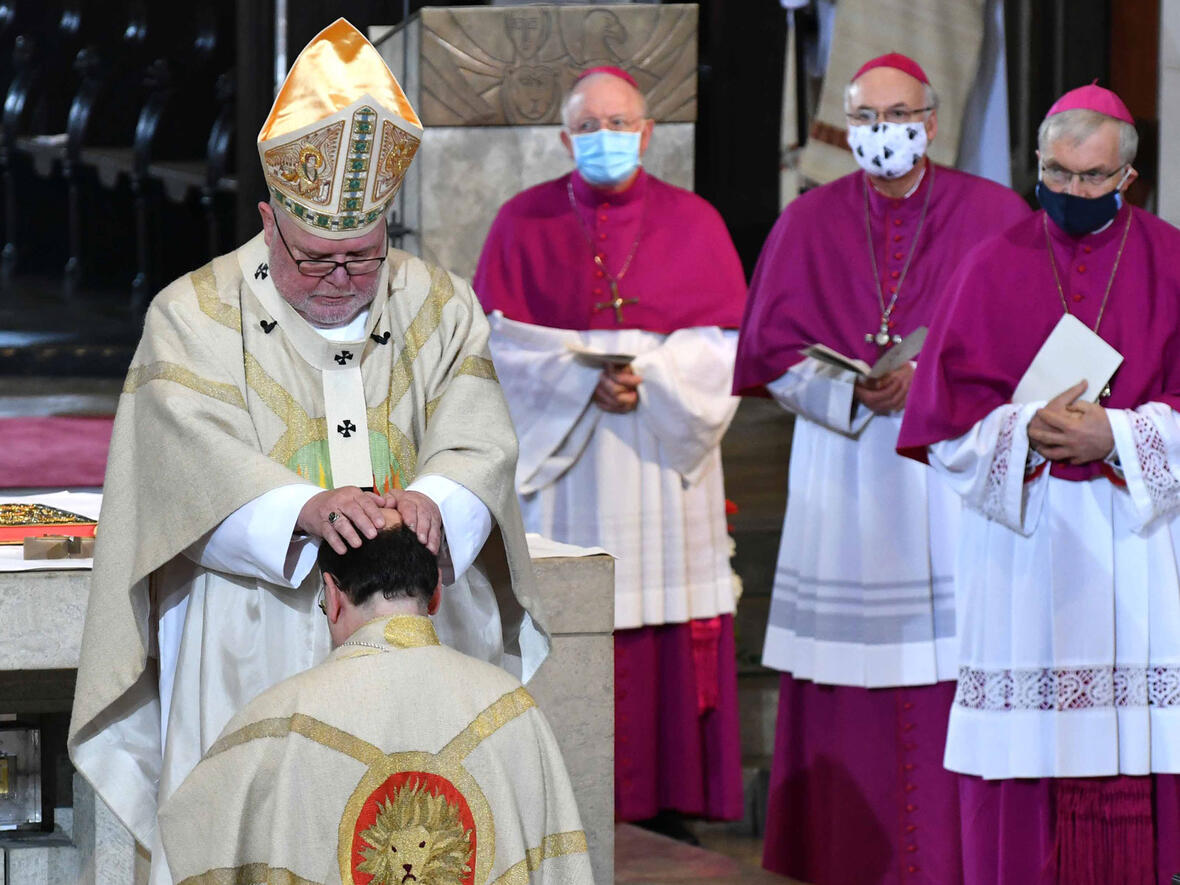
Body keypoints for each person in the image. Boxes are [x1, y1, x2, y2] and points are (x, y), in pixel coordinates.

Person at [67, 18, 546, 876]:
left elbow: (480, 435)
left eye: (362, 258)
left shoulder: (438, 303)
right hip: (251, 627)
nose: (341, 278)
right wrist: (303, 511)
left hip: (413, 645)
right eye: (316, 258)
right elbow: (175, 463)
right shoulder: (193, 313)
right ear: (267, 220)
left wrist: (437, 502)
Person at [733, 53, 1030, 883]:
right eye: (863, 118)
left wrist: (928, 378)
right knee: (845, 687)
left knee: (949, 668)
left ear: (930, 123)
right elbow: (772, 355)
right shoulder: (807, 221)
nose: (879, 133)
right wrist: (850, 389)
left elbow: (1023, 348)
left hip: (945, 476)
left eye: (895, 115)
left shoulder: (995, 216)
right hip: (846, 475)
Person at [897, 83, 1180, 884]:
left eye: (1093, 179)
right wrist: (1024, 431)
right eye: (1056, 174)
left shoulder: (1173, 259)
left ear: (1128, 178)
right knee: (1026, 782)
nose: (1072, 193)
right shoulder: (991, 264)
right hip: (1025, 552)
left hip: (1142, 548)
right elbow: (942, 426)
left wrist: (1117, 434)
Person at [473, 66, 747, 832]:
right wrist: (575, 382)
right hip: (570, 462)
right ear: (564, 138)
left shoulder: (695, 222)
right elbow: (498, 344)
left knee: (658, 621)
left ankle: (665, 806)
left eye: (619, 123)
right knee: (570, 606)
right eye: (588, 127)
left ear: (648, 131)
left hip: (661, 455)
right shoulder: (522, 220)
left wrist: (653, 375)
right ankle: (559, 792)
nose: (605, 140)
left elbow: (726, 344)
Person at [158, 523, 592, 885]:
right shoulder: (509, 707)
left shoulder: (279, 717)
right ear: (436, 593)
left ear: (332, 594)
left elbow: (191, 833)